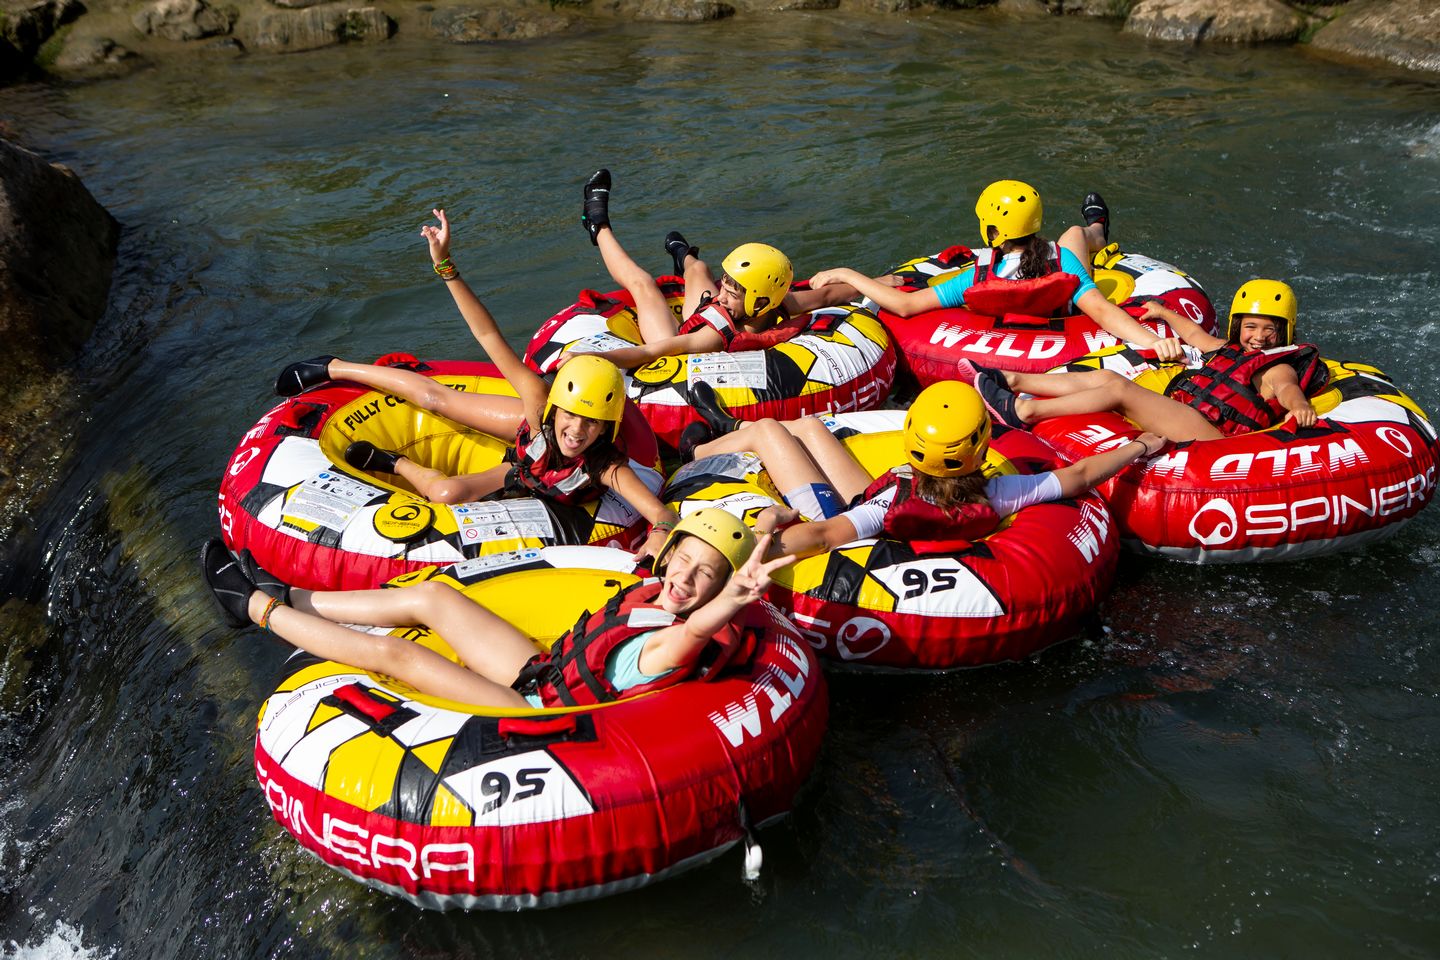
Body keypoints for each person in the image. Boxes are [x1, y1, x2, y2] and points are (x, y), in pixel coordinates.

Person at [274, 208, 680, 561]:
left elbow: (661, 514)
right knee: (434, 399)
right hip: (528, 455)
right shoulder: (540, 405)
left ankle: (392, 462)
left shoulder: (606, 466)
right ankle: (335, 367)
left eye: (591, 423)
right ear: (556, 409)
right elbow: (488, 336)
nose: (576, 430)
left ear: (606, 429)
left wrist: (659, 535)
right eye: (570, 416)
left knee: (446, 494)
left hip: (533, 476)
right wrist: (445, 265)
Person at [199, 509, 794, 708]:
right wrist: (768, 524)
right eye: (684, 561)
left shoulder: (673, 638)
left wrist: (733, 598)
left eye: (706, 575)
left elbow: (695, 630)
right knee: (434, 596)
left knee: (398, 655)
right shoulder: (654, 589)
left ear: (720, 591)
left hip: (534, 712)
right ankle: (293, 594)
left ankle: (253, 607)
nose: (685, 579)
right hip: (542, 671)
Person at [683, 381, 1163, 559]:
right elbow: (1080, 476)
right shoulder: (1000, 494)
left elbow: (826, 534)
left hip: (842, 514)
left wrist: (756, 542)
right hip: (880, 503)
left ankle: (700, 451)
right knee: (809, 426)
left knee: (772, 431)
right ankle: (729, 427)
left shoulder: (887, 505)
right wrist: (1139, 445)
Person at [804, 180, 1185, 363]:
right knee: (1074, 234)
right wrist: (1152, 342)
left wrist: (849, 274)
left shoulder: (978, 276)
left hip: (1007, 337)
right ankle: (1096, 229)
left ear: (992, 232)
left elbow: (905, 306)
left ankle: (1096, 230)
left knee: (1071, 237)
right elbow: (1102, 311)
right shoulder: (1062, 263)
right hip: (1063, 314)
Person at [966, 278, 1328, 442]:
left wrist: (1300, 408)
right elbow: (1196, 337)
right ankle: (1011, 379)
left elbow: (1288, 390)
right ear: (1237, 325)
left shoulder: (1277, 366)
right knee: (1107, 379)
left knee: (1120, 390)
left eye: (1270, 330)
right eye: (1251, 326)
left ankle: (1026, 411)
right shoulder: (1230, 350)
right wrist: (1164, 313)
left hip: (1213, 436)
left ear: (1285, 332)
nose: (1259, 336)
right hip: (1190, 413)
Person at [570, 169, 860, 369]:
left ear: (761, 302)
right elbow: (830, 295)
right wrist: (875, 281)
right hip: (696, 320)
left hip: (680, 335)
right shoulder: (768, 305)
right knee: (698, 268)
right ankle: (681, 257)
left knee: (643, 283)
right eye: (726, 285)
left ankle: (598, 224)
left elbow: (649, 351)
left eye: (732, 293)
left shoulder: (716, 335)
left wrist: (594, 357)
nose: (721, 295)